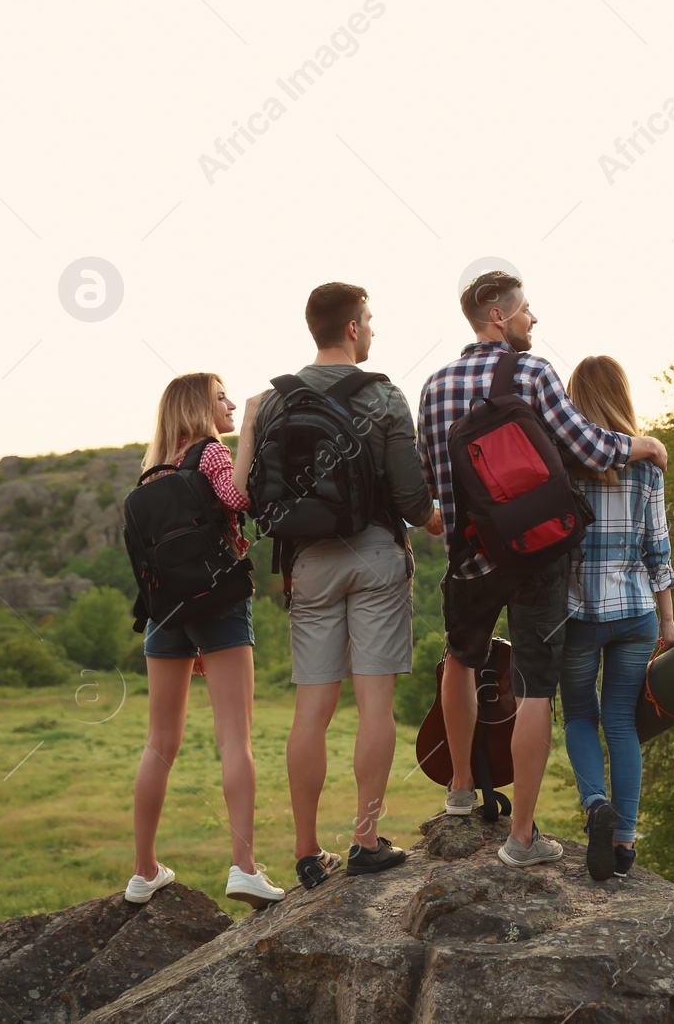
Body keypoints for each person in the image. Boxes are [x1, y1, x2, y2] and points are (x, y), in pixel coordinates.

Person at [417, 270, 669, 868]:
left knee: (460, 658)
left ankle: (458, 789)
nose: (534, 319)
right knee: (535, 685)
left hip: (471, 557)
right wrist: (646, 448)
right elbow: (588, 446)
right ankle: (522, 837)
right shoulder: (532, 374)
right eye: (527, 310)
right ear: (498, 315)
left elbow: (430, 478)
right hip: (537, 555)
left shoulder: (433, 386)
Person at [232, 283, 442, 891]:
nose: (373, 329)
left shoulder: (272, 402)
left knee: (312, 708)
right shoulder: (382, 394)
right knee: (374, 703)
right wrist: (433, 518)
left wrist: (248, 422)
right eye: (370, 320)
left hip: (306, 564)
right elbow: (409, 497)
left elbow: (244, 496)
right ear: (352, 328)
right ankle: (366, 841)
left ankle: (305, 852)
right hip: (375, 553)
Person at [126, 373, 285, 908]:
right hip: (218, 603)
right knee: (234, 739)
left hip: (164, 611)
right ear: (199, 406)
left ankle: (144, 870)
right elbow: (239, 498)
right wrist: (248, 434)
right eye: (221, 397)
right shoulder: (210, 452)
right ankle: (243, 867)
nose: (231, 404)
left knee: (159, 743)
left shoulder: (153, 470)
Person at [560, 356, 674, 881]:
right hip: (636, 614)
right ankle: (626, 843)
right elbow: (659, 548)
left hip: (579, 614)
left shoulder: (561, 462)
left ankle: (594, 806)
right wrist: (670, 621)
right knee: (623, 723)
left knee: (581, 716)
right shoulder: (648, 463)